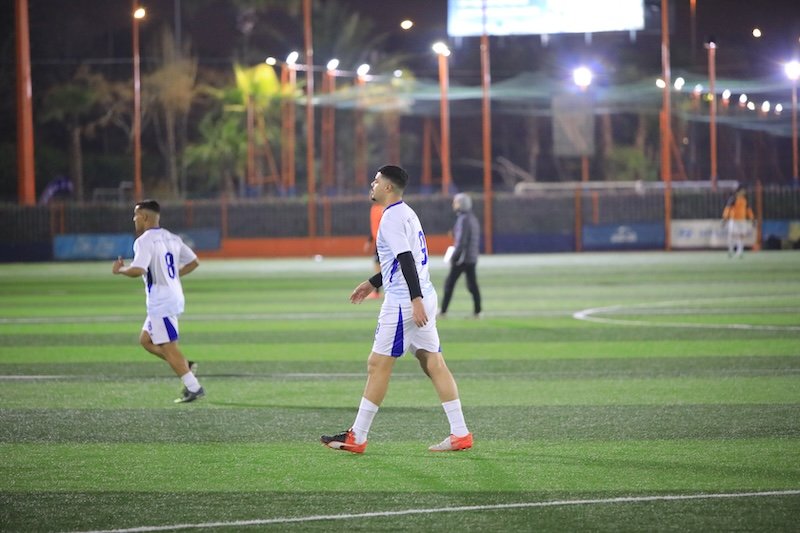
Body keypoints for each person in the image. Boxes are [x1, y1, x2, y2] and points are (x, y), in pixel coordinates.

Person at [321, 165, 472, 454]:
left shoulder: (390, 218)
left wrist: (414, 300)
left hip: (404, 302)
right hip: (423, 294)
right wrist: (372, 283)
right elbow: (400, 262)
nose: (372, 184)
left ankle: (357, 436)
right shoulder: (407, 213)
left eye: (377, 180)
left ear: (388, 187)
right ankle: (460, 433)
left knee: (377, 364)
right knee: (432, 361)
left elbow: (405, 259)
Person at [112, 199, 204, 403]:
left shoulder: (144, 241)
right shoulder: (172, 237)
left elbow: (138, 269)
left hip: (161, 302)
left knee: (168, 347)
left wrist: (121, 269)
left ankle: (194, 387)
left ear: (144, 216)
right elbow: (194, 262)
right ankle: (185, 365)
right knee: (145, 340)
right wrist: (173, 277)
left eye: (136, 215)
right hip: (172, 297)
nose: (134, 219)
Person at [440, 192, 482, 318]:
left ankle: (443, 311)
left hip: (463, 258)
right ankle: (478, 311)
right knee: (472, 285)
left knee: (449, 283)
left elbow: (462, 242)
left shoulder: (463, 219)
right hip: (471, 257)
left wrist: (454, 257)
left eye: (456, 202)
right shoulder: (472, 218)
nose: (454, 204)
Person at [722, 185, 755, 258]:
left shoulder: (745, 199)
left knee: (741, 235)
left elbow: (748, 210)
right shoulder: (733, 199)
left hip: (742, 221)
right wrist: (725, 218)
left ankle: (740, 251)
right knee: (732, 235)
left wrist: (752, 219)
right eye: (743, 190)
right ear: (739, 191)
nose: (744, 192)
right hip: (734, 221)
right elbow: (727, 209)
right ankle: (731, 250)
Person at [362, 202, 384, 299]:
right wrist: (369, 240)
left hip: (383, 241)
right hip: (378, 241)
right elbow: (375, 227)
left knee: (379, 265)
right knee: (377, 264)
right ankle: (377, 291)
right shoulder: (374, 208)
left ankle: (377, 291)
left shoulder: (383, 208)